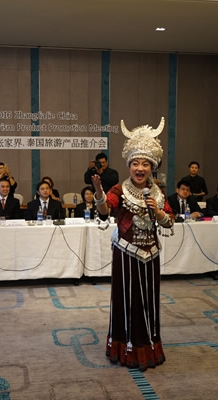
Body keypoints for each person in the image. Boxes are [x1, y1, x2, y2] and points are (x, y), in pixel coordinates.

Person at [92, 117, 173, 372]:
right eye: (135, 163)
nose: (140, 168)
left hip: (151, 256)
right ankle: (125, 347)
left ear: (152, 167)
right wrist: (99, 194)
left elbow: (169, 221)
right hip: (126, 255)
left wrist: (158, 213)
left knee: (149, 302)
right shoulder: (119, 189)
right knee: (127, 302)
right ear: (129, 165)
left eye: (145, 164)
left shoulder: (158, 192)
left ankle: (150, 345)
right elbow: (106, 210)